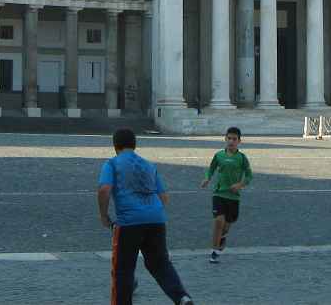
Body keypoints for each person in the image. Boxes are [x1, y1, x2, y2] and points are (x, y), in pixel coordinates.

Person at [97, 127, 194, 305]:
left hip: (129, 223)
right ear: (134, 145)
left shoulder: (112, 164)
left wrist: (104, 216)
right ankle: (182, 297)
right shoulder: (149, 165)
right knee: (160, 264)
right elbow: (164, 197)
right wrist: (150, 211)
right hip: (156, 220)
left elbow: (104, 189)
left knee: (123, 270)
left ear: (115, 146)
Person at [199, 126, 252, 264]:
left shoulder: (242, 158)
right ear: (225, 139)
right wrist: (207, 178)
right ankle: (214, 252)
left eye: (234, 139)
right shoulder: (219, 155)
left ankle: (223, 237)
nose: (231, 141)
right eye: (229, 138)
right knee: (218, 221)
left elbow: (249, 175)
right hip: (219, 194)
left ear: (239, 141)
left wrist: (240, 185)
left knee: (227, 225)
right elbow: (211, 169)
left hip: (233, 197)